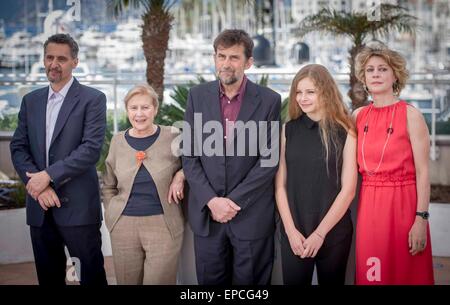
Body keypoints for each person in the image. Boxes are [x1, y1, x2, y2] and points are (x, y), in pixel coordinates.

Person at [182, 29, 281, 285]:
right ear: (214, 58)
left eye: (234, 58)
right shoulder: (197, 96)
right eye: (221, 56)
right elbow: (190, 156)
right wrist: (212, 201)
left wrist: (231, 202)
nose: (226, 64)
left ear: (248, 62)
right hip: (208, 215)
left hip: (251, 216)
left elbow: (268, 161)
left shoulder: (269, 100)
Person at [10, 33, 107, 285]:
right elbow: (19, 147)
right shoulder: (30, 101)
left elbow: (90, 150)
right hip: (40, 209)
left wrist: (48, 177)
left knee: (90, 277)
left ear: (75, 62)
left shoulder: (93, 99)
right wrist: (39, 188)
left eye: (61, 59)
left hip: (78, 209)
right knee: (49, 278)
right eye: (49, 57)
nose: (54, 63)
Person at [353, 44, 434, 284]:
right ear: (364, 78)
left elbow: (423, 172)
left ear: (395, 74)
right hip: (369, 207)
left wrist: (421, 219)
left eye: (382, 69)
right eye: (370, 70)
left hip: (404, 207)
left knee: (406, 274)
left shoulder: (411, 115)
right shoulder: (357, 116)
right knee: (372, 274)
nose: (376, 74)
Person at [275, 64, 357, 285]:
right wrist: (291, 231)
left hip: (333, 233)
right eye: (298, 92)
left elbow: (348, 190)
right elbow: (280, 186)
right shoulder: (288, 130)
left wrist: (320, 234)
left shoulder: (346, 131)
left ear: (326, 92)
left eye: (310, 92)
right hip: (295, 233)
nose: (302, 98)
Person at [102, 84, 185, 285]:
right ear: (127, 111)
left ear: (155, 109)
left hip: (164, 225)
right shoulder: (117, 141)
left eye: (145, 107)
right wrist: (112, 213)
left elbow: (195, 164)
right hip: (123, 226)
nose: (139, 114)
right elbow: (108, 185)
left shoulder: (173, 135)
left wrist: (181, 174)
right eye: (134, 108)